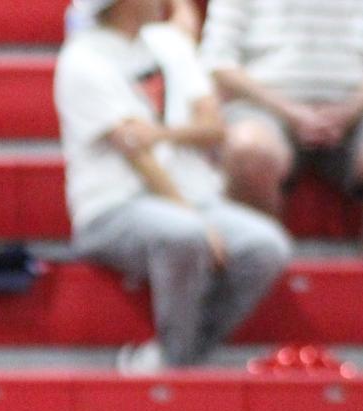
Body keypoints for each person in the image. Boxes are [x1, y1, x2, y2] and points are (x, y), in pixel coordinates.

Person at [59, 0, 294, 371]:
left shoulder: (168, 43)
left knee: (265, 246)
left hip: (194, 196)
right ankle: (177, 365)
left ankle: (177, 359)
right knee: (185, 235)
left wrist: (159, 133)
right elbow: (136, 155)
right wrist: (192, 215)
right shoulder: (83, 59)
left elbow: (215, 127)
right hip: (112, 206)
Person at [200, 0, 363, 234]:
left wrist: (349, 110)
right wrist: (289, 111)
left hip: (356, 110)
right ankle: (261, 259)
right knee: (250, 149)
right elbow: (217, 63)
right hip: (263, 107)